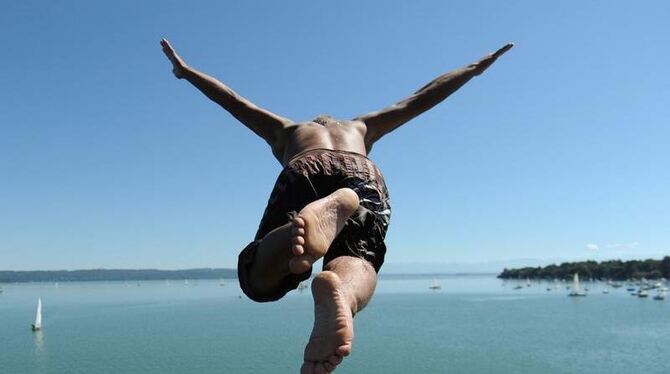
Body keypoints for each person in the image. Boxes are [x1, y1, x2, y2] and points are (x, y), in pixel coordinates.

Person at [161, 38, 512, 374]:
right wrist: (473, 68)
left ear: (315, 122)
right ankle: (342, 292)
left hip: (305, 166)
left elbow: (235, 100)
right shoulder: (361, 127)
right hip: (362, 174)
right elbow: (420, 98)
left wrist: (185, 71)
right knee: (359, 257)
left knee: (257, 282)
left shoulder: (288, 130)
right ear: (334, 123)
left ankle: (294, 235)